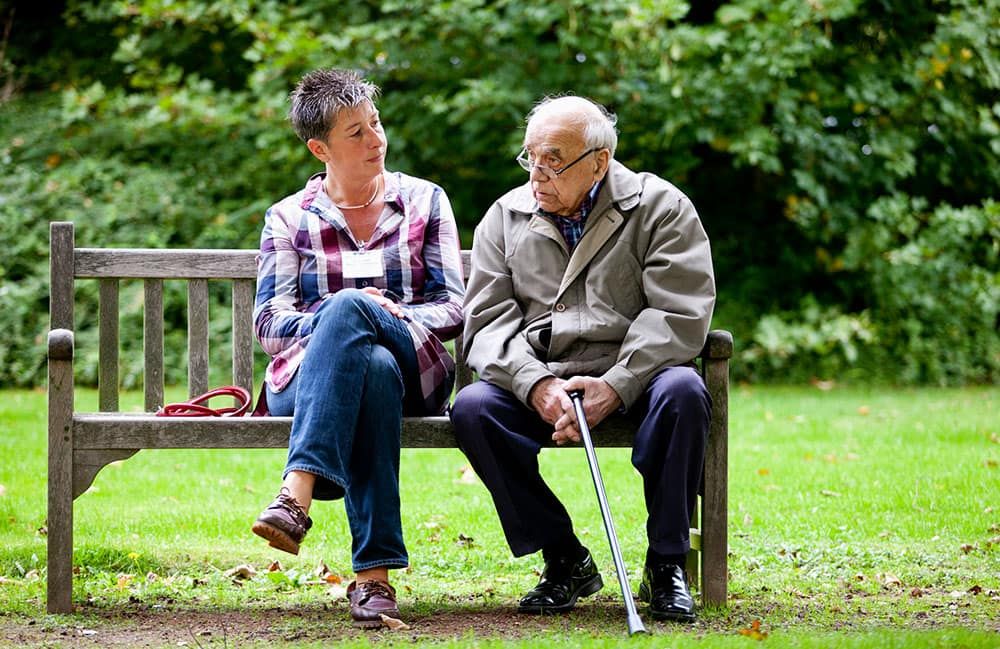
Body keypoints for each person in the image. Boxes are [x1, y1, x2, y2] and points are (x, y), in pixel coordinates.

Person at [450, 96, 715, 623]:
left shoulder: (660, 206)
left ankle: (667, 563)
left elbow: (678, 311)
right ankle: (563, 557)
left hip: (637, 376)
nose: (537, 175)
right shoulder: (504, 216)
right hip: (543, 377)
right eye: (530, 158)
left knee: (685, 392)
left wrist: (618, 384)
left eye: (553, 159)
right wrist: (537, 385)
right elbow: (487, 321)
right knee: (475, 408)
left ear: (599, 160)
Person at [250, 69, 464, 628]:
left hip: (414, 361)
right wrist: (340, 319)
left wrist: (387, 312)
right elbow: (269, 323)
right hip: (314, 381)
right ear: (319, 147)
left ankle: (297, 490)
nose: (376, 140)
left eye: (376, 124)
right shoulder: (288, 217)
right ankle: (373, 582)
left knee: (356, 313)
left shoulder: (425, 201)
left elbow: (453, 306)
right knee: (363, 360)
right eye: (356, 133)